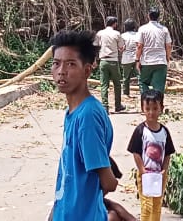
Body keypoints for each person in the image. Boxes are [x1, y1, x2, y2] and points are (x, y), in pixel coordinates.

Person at [50, 30, 118, 221]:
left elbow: (109, 182)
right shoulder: (73, 111)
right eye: (56, 63)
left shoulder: (88, 115)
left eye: (71, 64)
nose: (61, 71)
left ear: (87, 70)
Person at [127, 90, 176, 221]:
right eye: (147, 108)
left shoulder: (164, 132)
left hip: (160, 175)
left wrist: (164, 170)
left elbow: (168, 153)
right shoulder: (141, 130)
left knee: (157, 204)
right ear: (142, 108)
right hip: (145, 174)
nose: (151, 112)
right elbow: (136, 152)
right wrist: (142, 170)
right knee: (146, 205)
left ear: (161, 108)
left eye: (155, 108)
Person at [136, 8, 172, 94]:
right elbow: (168, 45)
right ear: (158, 17)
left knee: (143, 82)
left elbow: (139, 46)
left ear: (148, 16)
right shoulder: (164, 29)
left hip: (146, 62)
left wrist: (137, 60)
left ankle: (145, 102)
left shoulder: (142, 29)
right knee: (159, 86)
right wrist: (167, 58)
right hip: (160, 61)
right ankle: (158, 105)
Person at [95, 17, 126, 113]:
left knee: (104, 84)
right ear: (115, 24)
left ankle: (105, 106)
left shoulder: (100, 33)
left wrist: (94, 60)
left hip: (103, 61)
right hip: (113, 61)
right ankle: (117, 105)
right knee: (117, 84)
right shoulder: (116, 34)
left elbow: (95, 46)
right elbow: (121, 48)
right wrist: (122, 48)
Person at [120, 19, 140, 100]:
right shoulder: (138, 35)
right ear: (134, 27)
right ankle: (142, 92)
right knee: (140, 76)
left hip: (126, 58)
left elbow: (121, 49)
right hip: (137, 58)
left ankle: (126, 93)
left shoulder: (123, 36)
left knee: (126, 77)